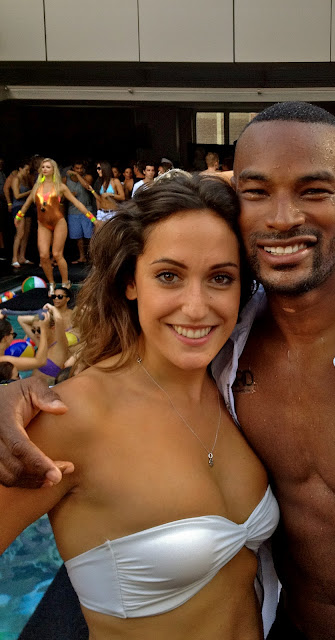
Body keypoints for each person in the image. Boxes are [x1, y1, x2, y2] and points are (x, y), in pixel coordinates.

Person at [2, 102, 335, 640]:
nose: (282, 217)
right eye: (257, 192)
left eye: (313, 190)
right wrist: (23, 390)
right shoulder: (221, 351)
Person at [0, 173, 279, 640]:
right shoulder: (70, 418)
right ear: (130, 281)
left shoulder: (235, 388)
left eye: (220, 278)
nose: (196, 307)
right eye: (169, 276)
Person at [14, 158, 97, 294]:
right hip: (43, 224)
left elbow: (77, 203)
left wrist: (93, 219)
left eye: (48, 167)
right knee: (43, 255)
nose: (45, 169)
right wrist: (19, 216)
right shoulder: (37, 186)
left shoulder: (60, 186)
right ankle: (51, 283)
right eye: (43, 167)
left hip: (58, 222)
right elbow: (27, 203)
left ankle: (65, 282)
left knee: (57, 254)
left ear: (53, 170)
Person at [64, 161, 94, 263]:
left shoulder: (87, 177)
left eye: (81, 168)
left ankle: (92, 257)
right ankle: (82, 257)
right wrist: (69, 195)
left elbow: (87, 186)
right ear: (73, 168)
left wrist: (77, 175)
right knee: (78, 237)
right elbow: (60, 197)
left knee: (90, 236)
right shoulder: (66, 179)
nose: (79, 170)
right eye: (77, 168)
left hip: (87, 209)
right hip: (73, 211)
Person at [10, 160, 33, 268]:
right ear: (20, 169)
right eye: (26, 170)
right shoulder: (16, 179)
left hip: (27, 207)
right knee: (20, 233)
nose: (27, 172)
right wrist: (30, 192)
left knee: (26, 234)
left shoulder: (26, 179)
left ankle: (22, 257)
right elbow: (17, 195)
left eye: (29, 170)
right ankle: (14, 258)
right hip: (18, 207)